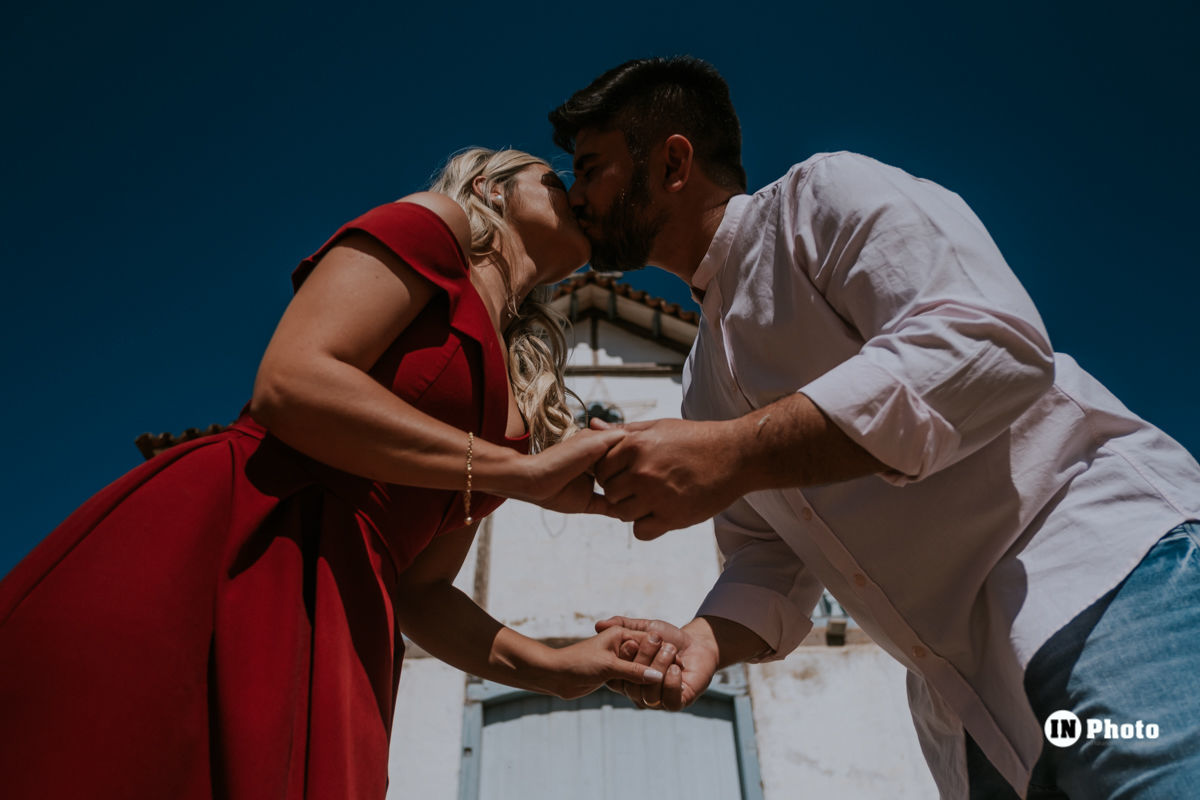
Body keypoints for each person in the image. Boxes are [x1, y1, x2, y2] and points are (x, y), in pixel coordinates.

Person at [549, 57, 1200, 798]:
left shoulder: (819, 198)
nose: (576, 197)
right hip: (973, 717)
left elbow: (987, 342)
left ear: (672, 161)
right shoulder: (701, 383)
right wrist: (702, 637)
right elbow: (770, 560)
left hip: (1104, 595)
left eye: (590, 168)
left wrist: (735, 451)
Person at [0, 147, 665, 799]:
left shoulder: (519, 387)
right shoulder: (436, 226)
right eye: (555, 176)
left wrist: (557, 668)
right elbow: (292, 384)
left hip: (351, 610)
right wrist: (521, 474)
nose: (578, 191)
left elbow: (421, 590)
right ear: (493, 188)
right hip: (244, 537)